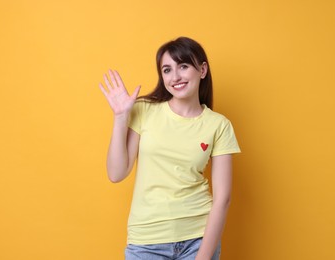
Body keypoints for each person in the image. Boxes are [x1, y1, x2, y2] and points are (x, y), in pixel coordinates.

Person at [99, 37, 241, 260]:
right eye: (167, 70)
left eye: (183, 66)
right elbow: (116, 173)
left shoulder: (218, 125)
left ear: (202, 70)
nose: (175, 77)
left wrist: (203, 257)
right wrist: (120, 117)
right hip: (146, 242)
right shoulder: (144, 110)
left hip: (198, 239)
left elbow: (223, 198)